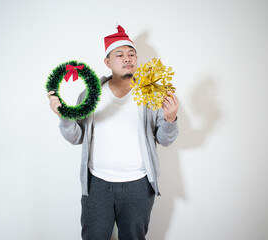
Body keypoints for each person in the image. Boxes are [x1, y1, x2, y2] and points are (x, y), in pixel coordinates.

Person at [47, 25, 179, 240]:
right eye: (120, 55)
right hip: (97, 184)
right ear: (107, 62)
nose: (127, 59)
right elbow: (76, 137)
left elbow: (165, 139)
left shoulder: (150, 94)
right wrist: (64, 116)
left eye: (131, 54)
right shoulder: (90, 94)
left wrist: (170, 119)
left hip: (139, 184)